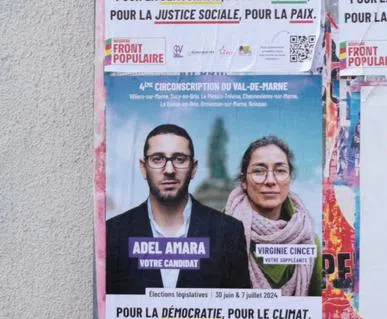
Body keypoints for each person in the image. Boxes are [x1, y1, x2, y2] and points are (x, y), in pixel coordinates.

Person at [105, 124, 251, 294]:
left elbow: (239, 314)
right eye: (158, 159)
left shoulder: (229, 232)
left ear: (193, 168)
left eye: (179, 159)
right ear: (143, 168)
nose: (169, 170)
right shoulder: (113, 232)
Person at [224, 136, 321, 296]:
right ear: (243, 181)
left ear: (290, 178)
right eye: (259, 171)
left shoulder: (308, 239)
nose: (270, 180)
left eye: (280, 171)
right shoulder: (220, 231)